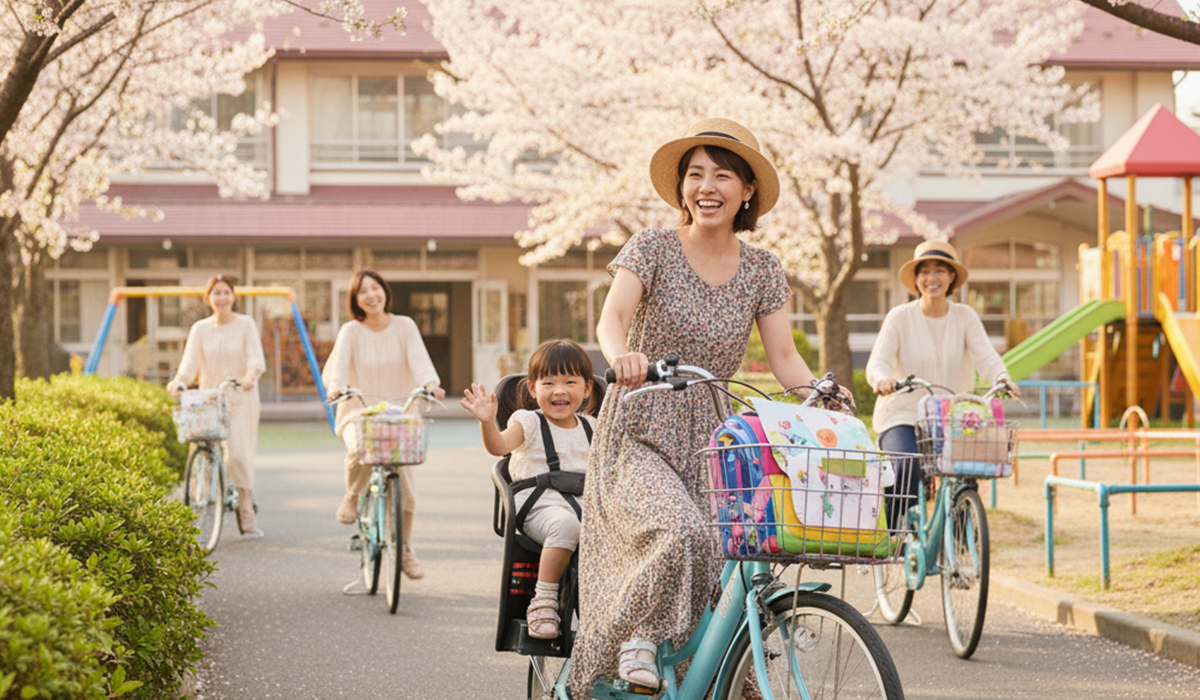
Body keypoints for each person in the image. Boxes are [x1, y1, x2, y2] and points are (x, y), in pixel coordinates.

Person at [568, 118, 835, 695]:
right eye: (695, 175)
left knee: (735, 553)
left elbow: (785, 356)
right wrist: (624, 358)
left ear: (747, 192)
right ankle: (637, 636)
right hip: (639, 425)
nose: (706, 187)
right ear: (682, 188)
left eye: (722, 175)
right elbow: (612, 319)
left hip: (714, 437)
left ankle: (725, 670)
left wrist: (819, 397)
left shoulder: (763, 267)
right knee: (681, 530)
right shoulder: (653, 246)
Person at [865, 240, 1019, 528]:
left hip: (953, 417)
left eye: (939, 271)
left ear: (951, 278)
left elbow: (986, 356)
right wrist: (882, 379)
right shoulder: (900, 317)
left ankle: (960, 547)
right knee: (908, 465)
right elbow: (878, 361)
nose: (931, 278)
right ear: (915, 279)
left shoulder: (965, 317)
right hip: (903, 415)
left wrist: (1002, 377)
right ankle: (901, 536)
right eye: (923, 271)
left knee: (965, 472)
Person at [460, 339, 598, 640]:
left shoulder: (592, 427)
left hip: (584, 505)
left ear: (587, 389)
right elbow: (499, 447)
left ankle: (607, 610)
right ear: (534, 389)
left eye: (570, 382)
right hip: (538, 506)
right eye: (548, 382)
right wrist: (487, 423)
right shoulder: (529, 422)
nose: (559, 390)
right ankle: (544, 602)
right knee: (566, 524)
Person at [322, 268, 446, 580]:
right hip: (359, 410)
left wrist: (430, 384)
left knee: (408, 492)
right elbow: (337, 367)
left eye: (375, 288)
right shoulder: (350, 331)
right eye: (363, 291)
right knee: (361, 446)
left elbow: (420, 362)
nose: (371, 295)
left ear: (385, 291)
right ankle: (352, 493)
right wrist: (337, 387)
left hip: (399, 414)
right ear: (355, 299)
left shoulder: (405, 326)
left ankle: (404, 548)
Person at [168, 274, 267, 537]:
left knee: (238, 454)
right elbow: (189, 365)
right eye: (217, 293)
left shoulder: (245, 324)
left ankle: (244, 499)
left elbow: (256, 360)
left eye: (226, 292)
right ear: (208, 298)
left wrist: (248, 378)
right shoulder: (200, 329)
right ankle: (199, 504)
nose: (222, 298)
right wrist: (179, 382)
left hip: (240, 397)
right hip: (209, 399)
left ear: (233, 296)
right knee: (201, 450)